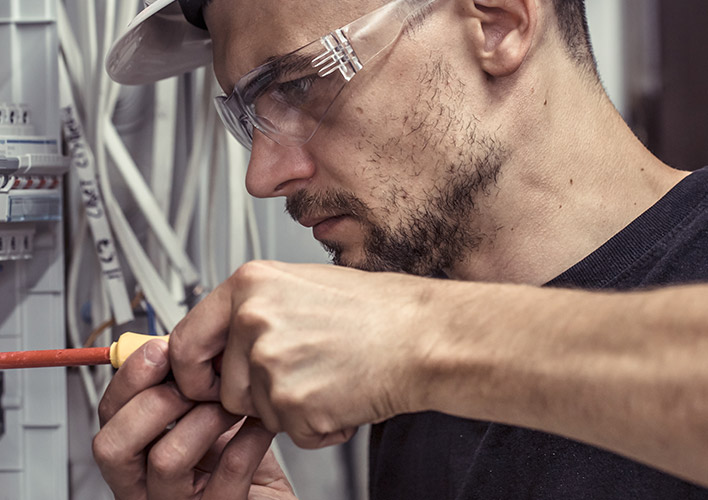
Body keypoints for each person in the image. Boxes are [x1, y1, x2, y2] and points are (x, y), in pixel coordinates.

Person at [95, 0, 708, 498]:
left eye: (300, 84)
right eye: (252, 118)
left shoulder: (412, 344)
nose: (262, 177)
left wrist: (415, 341)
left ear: (498, 23)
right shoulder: (409, 356)